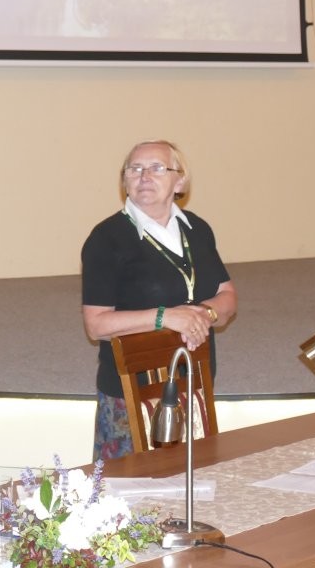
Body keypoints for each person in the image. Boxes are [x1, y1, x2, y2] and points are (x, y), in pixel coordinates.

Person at [80, 139, 237, 461]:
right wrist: (166, 316)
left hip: (193, 385)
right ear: (124, 181)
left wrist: (203, 314)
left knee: (194, 481)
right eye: (135, 169)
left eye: (156, 168)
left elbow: (227, 296)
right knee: (133, 488)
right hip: (131, 395)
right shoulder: (106, 239)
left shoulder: (197, 229)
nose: (144, 176)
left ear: (180, 181)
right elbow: (96, 325)